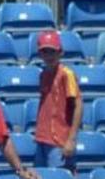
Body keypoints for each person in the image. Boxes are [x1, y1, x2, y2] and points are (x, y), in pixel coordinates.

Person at [34, 30, 82, 173]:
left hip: (59, 141)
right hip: (42, 139)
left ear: (60, 52)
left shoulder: (66, 74)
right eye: (45, 52)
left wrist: (71, 139)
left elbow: (78, 105)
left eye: (52, 51)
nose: (49, 56)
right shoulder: (43, 74)